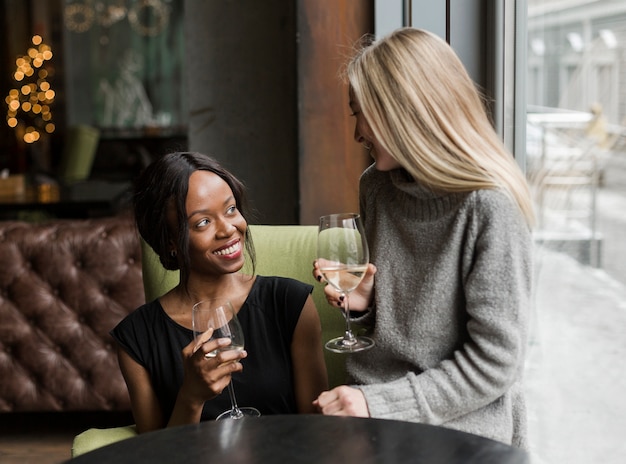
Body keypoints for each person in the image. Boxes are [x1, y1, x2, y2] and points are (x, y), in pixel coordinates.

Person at [312, 27, 535, 449]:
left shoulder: (489, 208)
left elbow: (496, 363)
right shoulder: (377, 187)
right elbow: (403, 324)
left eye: (361, 113)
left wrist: (378, 404)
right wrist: (365, 303)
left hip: (461, 431)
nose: (357, 132)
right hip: (374, 412)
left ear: (406, 112)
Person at [112, 151, 328, 433]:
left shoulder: (290, 303)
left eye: (230, 210)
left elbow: (318, 428)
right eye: (203, 222)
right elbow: (155, 454)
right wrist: (191, 397)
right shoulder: (136, 338)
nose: (229, 229)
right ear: (170, 243)